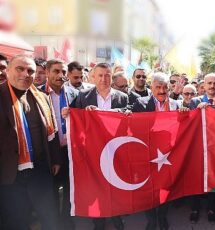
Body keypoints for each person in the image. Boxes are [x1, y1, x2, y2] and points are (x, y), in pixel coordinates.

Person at [0, 55, 61, 230]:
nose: (26, 74)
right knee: (16, 221)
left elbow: (53, 132)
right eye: (20, 68)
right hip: (10, 174)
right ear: (8, 70)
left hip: (40, 170)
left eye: (31, 71)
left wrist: (56, 159)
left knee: (50, 218)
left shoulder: (42, 97)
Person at [63, 62, 127, 230]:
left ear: (112, 77)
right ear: (92, 77)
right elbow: (74, 116)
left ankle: (116, 217)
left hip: (114, 149)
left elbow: (128, 113)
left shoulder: (122, 96)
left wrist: (115, 113)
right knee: (96, 185)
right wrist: (68, 113)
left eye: (107, 75)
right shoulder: (83, 96)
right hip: (92, 150)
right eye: (100, 75)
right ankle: (98, 220)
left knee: (115, 185)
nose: (104, 79)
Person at [132, 72, 179, 230]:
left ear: (169, 88)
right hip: (148, 153)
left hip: (168, 154)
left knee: (166, 186)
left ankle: (162, 216)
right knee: (149, 188)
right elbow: (134, 127)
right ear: (151, 88)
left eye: (165, 87)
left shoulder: (176, 105)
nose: (161, 90)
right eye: (158, 87)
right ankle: (151, 219)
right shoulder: (140, 103)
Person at [188, 73, 215, 224]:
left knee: (214, 179)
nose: (212, 86)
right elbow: (187, 124)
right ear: (203, 86)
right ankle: (195, 208)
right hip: (198, 148)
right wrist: (196, 111)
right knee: (196, 179)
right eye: (209, 83)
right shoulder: (194, 102)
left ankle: (212, 209)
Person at [44, 59, 79, 229]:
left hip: (69, 150)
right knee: (49, 190)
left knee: (68, 187)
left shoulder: (74, 93)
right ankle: (52, 222)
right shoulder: (37, 94)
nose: (60, 75)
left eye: (63, 72)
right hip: (49, 151)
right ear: (47, 72)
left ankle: (66, 219)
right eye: (56, 71)